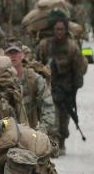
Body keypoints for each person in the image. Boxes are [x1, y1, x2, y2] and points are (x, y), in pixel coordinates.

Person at [35, 13, 87, 156]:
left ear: (66, 30)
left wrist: (74, 88)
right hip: (49, 88)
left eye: (62, 29)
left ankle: (62, 139)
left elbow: (79, 69)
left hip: (66, 90)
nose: (59, 32)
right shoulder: (45, 45)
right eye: (56, 29)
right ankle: (54, 143)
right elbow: (36, 64)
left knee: (64, 121)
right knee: (52, 120)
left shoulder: (72, 47)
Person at [6, 42, 57, 145]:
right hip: (6, 135)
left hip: (31, 134)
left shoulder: (34, 79)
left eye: (16, 53)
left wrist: (41, 131)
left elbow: (48, 107)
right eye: (9, 53)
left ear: (22, 55)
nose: (13, 56)